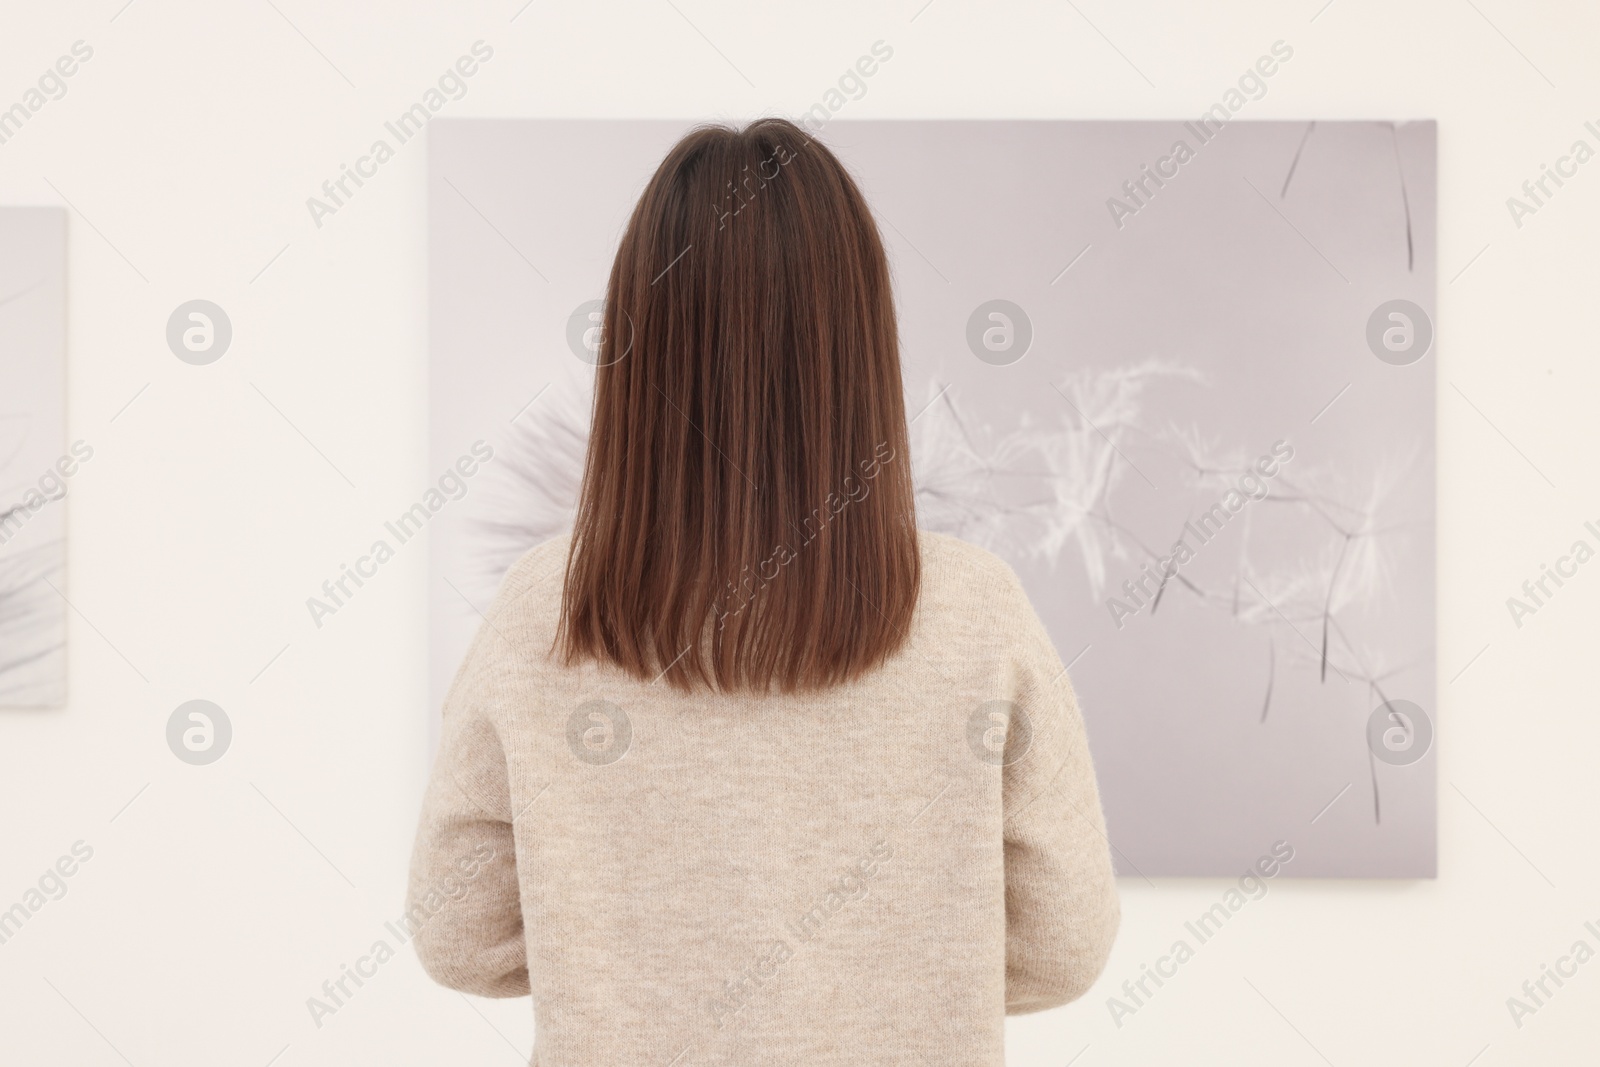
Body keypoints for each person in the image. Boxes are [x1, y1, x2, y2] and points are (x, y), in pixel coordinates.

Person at [407, 117, 1119, 1065]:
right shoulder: (974, 611)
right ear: (861, 343)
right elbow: (1066, 945)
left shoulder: (552, 605)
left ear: (637, 342)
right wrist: (896, 970)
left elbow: (458, 931)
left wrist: (625, 954)